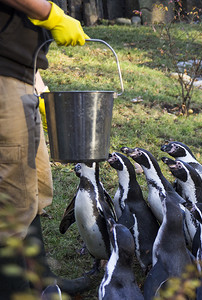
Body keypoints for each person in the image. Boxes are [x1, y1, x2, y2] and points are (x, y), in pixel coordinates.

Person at [0, 0, 91, 298]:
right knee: (12, 199)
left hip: (20, 75)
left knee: (35, 186)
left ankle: (40, 278)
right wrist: (49, 13)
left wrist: (38, 87)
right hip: (3, 78)